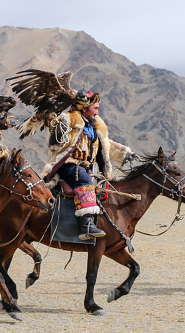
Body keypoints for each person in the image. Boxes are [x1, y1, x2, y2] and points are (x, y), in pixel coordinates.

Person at [43, 91, 138, 240]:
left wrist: (126, 153)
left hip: (88, 167)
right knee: (85, 182)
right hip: (69, 165)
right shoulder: (69, 120)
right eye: (95, 108)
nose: (97, 112)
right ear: (85, 108)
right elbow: (55, 142)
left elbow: (106, 145)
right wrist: (57, 127)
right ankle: (85, 226)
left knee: (105, 186)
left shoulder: (94, 127)